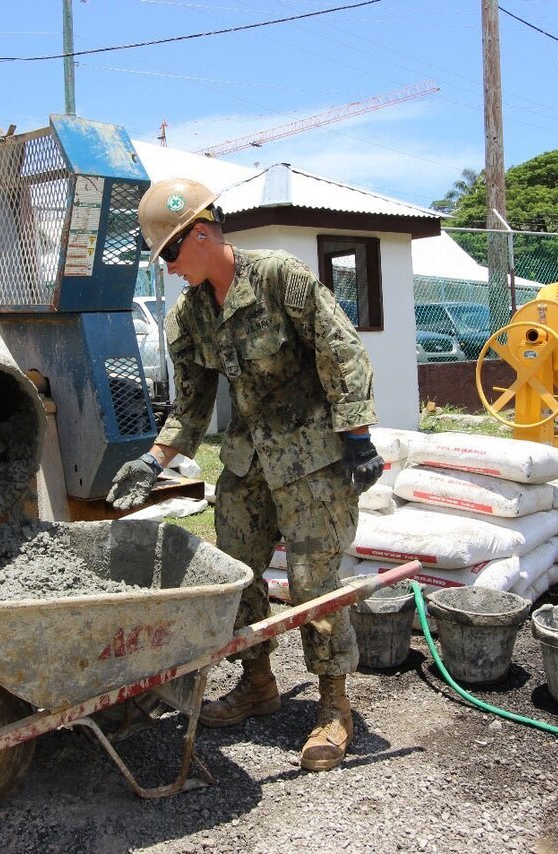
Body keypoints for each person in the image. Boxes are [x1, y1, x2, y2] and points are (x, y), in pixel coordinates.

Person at [107, 177, 384, 772]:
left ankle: (334, 706)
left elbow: (343, 351)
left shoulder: (278, 277)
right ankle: (258, 683)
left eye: (172, 254)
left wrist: (358, 437)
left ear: (201, 233)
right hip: (248, 463)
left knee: (315, 582)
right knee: (233, 574)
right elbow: (192, 405)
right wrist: (153, 460)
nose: (169, 268)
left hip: (312, 460)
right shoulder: (189, 316)